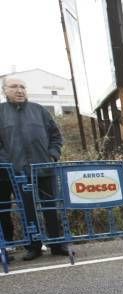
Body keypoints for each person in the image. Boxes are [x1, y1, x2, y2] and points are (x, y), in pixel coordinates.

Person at [0, 76, 68, 260]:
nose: (19, 90)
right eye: (14, 87)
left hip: (43, 169)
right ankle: (34, 247)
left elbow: (55, 136)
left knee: (50, 207)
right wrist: (9, 163)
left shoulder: (39, 110)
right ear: (4, 90)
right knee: (27, 209)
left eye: (22, 86)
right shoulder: (1, 112)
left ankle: (57, 244)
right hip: (17, 173)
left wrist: (52, 155)